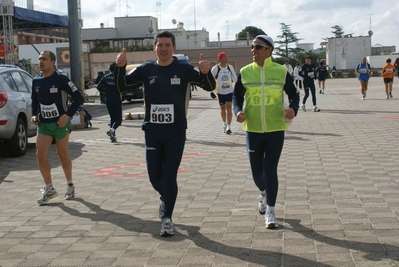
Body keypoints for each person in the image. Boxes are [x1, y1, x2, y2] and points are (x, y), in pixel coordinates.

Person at [114, 31, 215, 237]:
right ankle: (166, 197)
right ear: (155, 48)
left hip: (176, 132)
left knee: (170, 175)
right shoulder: (146, 69)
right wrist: (120, 67)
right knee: (154, 177)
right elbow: (121, 85)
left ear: (174, 48)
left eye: (167, 45)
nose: (163, 48)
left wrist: (205, 72)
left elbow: (210, 86)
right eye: (160, 45)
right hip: (152, 131)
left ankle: (167, 218)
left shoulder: (183, 69)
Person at [232, 35, 299, 229]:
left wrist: (293, 108)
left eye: (258, 47)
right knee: (256, 173)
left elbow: (294, 93)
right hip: (252, 129)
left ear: (269, 50)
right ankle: (263, 192)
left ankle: (270, 211)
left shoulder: (280, 72)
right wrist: (238, 111)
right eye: (252, 47)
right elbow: (236, 96)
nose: (254, 50)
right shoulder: (245, 72)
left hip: (275, 128)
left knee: (270, 170)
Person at [31, 51, 83, 205]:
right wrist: (34, 114)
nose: (41, 62)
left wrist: (67, 115)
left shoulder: (61, 79)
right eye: (39, 59)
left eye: (44, 59)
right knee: (40, 155)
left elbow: (79, 97)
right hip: (44, 125)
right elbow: (34, 100)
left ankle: (70, 184)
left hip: (60, 124)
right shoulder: (36, 81)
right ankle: (49, 188)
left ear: (52, 62)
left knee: (62, 156)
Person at [211, 52, 237, 134]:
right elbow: (210, 80)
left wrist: (238, 88)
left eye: (226, 57)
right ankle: (224, 123)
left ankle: (229, 126)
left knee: (229, 107)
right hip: (220, 92)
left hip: (229, 91)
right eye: (225, 57)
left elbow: (235, 78)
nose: (227, 59)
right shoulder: (216, 68)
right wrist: (211, 91)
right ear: (220, 59)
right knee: (223, 109)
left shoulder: (230, 67)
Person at [97, 62, 122, 142]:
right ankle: (112, 130)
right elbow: (123, 88)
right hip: (116, 100)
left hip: (108, 100)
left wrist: (105, 92)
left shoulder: (106, 77)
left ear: (110, 69)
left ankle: (112, 136)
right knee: (118, 120)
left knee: (112, 118)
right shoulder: (118, 78)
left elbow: (98, 87)